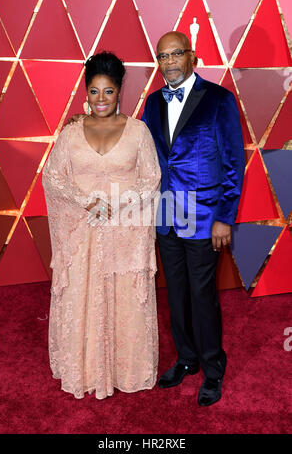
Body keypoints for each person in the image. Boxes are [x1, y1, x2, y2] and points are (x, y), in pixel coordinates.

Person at [42, 51, 161, 400]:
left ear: (120, 90)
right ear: (86, 92)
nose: (101, 99)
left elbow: (151, 180)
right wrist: (87, 201)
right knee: (81, 299)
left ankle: (126, 368)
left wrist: (119, 204)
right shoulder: (71, 133)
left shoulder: (139, 132)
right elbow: (53, 178)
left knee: (125, 302)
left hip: (125, 236)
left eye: (108, 91)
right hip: (82, 236)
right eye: (94, 91)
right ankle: (85, 368)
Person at [141, 31, 245, 406]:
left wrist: (224, 218)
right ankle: (186, 359)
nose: (168, 62)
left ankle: (213, 369)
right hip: (165, 217)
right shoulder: (151, 104)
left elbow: (234, 163)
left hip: (204, 219)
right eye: (162, 56)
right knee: (177, 293)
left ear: (192, 57)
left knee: (203, 296)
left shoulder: (219, 100)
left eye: (175, 54)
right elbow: (142, 154)